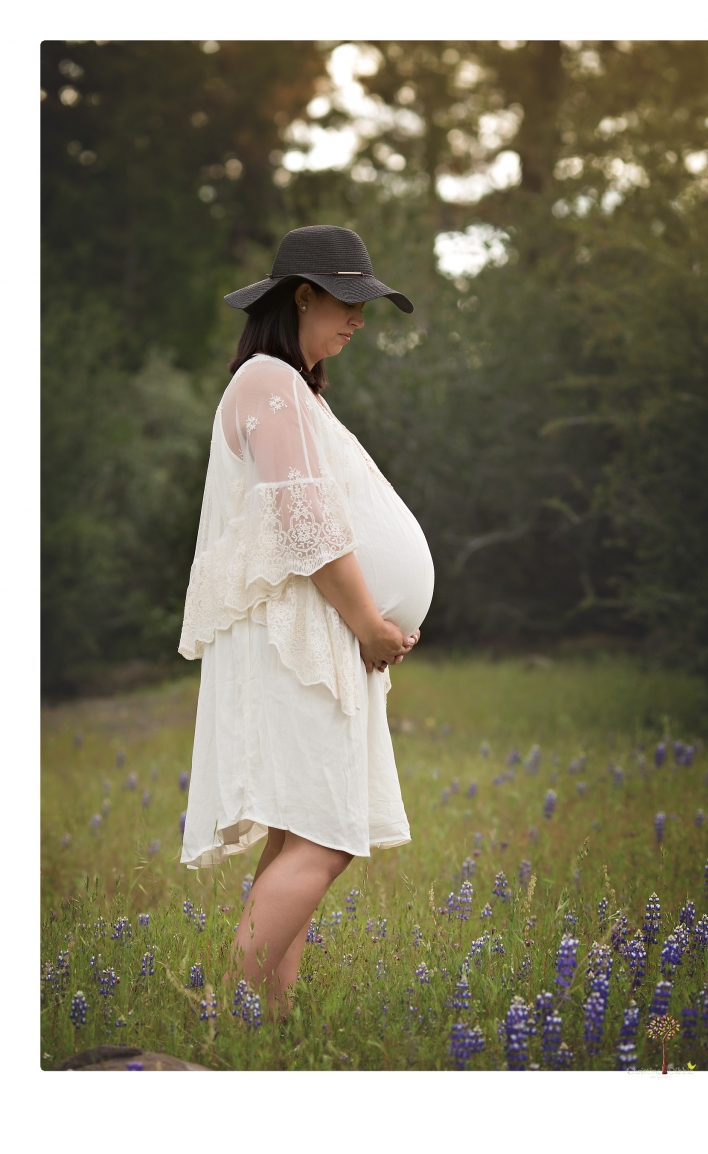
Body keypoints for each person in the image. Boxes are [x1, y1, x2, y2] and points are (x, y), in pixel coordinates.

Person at [178, 225, 434, 1014]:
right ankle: (232, 1007)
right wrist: (367, 622)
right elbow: (305, 521)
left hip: (314, 629)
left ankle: (269, 1021)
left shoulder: (293, 387)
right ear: (301, 297)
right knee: (324, 833)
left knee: (302, 831)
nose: (358, 319)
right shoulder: (268, 381)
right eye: (347, 301)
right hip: (300, 635)